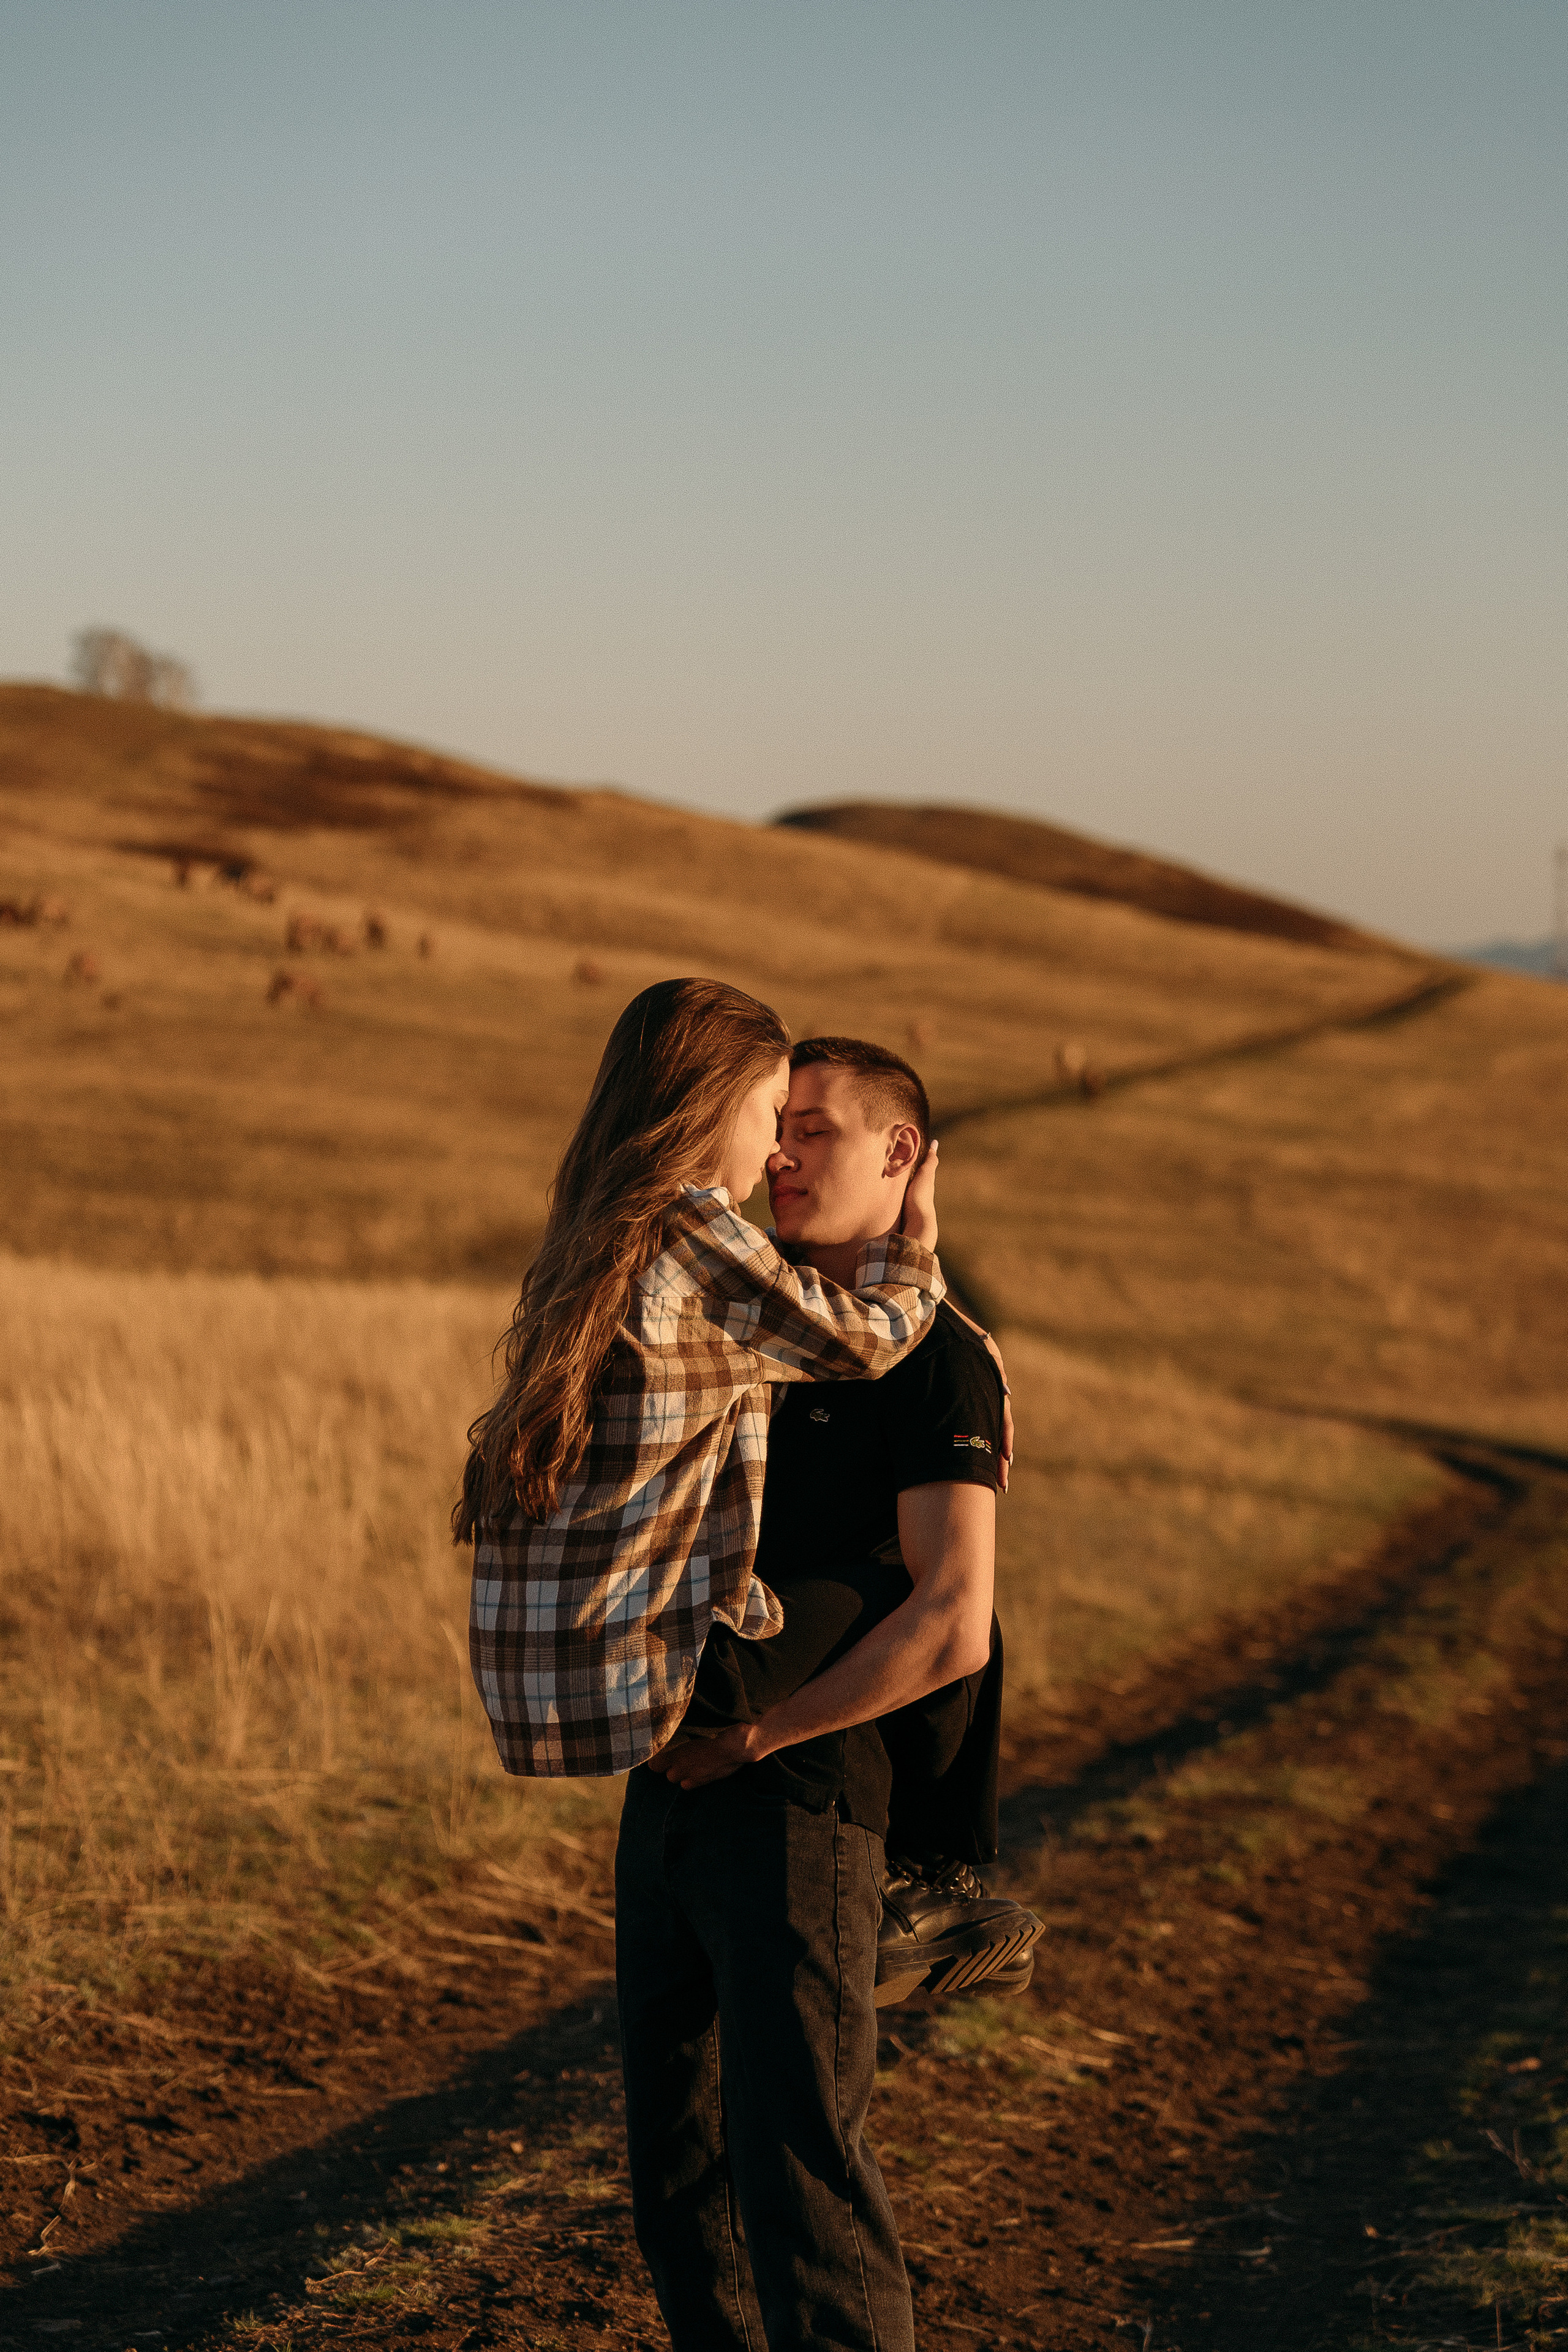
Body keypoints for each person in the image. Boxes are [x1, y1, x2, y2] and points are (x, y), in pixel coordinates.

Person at [618, 1035, 1039, 2352]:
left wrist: (753, 1734)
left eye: (814, 1130)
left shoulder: (936, 1362)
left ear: (900, 1153)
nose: (780, 1156)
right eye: (773, 1127)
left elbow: (951, 1622)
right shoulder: (754, 1315)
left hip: (805, 1793)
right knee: (678, 2175)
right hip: (671, 1788)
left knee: (801, 2166)